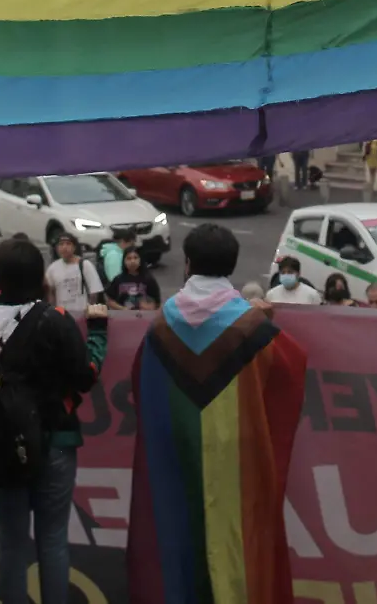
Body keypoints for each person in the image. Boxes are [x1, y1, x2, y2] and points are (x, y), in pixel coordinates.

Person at [127, 224, 307, 603]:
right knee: (236, 537)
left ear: (187, 263)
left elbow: (143, 384)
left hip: (178, 449)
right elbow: (290, 370)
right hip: (236, 452)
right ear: (232, 265)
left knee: (181, 529)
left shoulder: (162, 324)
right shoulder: (252, 325)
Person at [0, 238, 106, 604]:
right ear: (41, 278)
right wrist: (99, 333)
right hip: (56, 440)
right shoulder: (57, 320)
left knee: (11, 541)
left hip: (1, 443)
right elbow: (86, 376)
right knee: (52, 539)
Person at [45, 233, 104, 316]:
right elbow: (50, 292)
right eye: (61, 244)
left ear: (74, 247)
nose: (64, 247)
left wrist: (89, 310)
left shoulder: (85, 265)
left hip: (82, 313)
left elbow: (94, 293)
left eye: (68, 244)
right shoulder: (52, 268)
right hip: (62, 315)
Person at [105, 246, 161, 311]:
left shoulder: (149, 280)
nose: (132, 261)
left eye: (135, 258)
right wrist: (123, 309)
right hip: (123, 317)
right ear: (124, 261)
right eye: (129, 258)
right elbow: (110, 301)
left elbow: (157, 303)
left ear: (140, 260)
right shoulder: (118, 279)